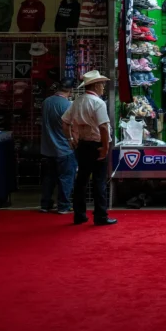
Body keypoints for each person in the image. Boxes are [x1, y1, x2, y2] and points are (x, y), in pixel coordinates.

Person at [62, 71, 117, 226]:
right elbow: (104, 128)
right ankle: (100, 216)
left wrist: (71, 139)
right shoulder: (98, 103)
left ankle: (79, 215)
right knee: (99, 181)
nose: (103, 88)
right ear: (96, 85)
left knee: (81, 180)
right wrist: (105, 147)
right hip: (97, 144)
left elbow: (65, 123)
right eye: (101, 84)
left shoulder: (77, 101)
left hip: (83, 145)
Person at [40, 78, 76, 214]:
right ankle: (63, 206)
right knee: (66, 178)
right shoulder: (67, 105)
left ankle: (45, 205)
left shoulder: (46, 102)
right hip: (64, 148)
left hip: (47, 148)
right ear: (71, 90)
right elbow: (70, 126)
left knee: (48, 178)